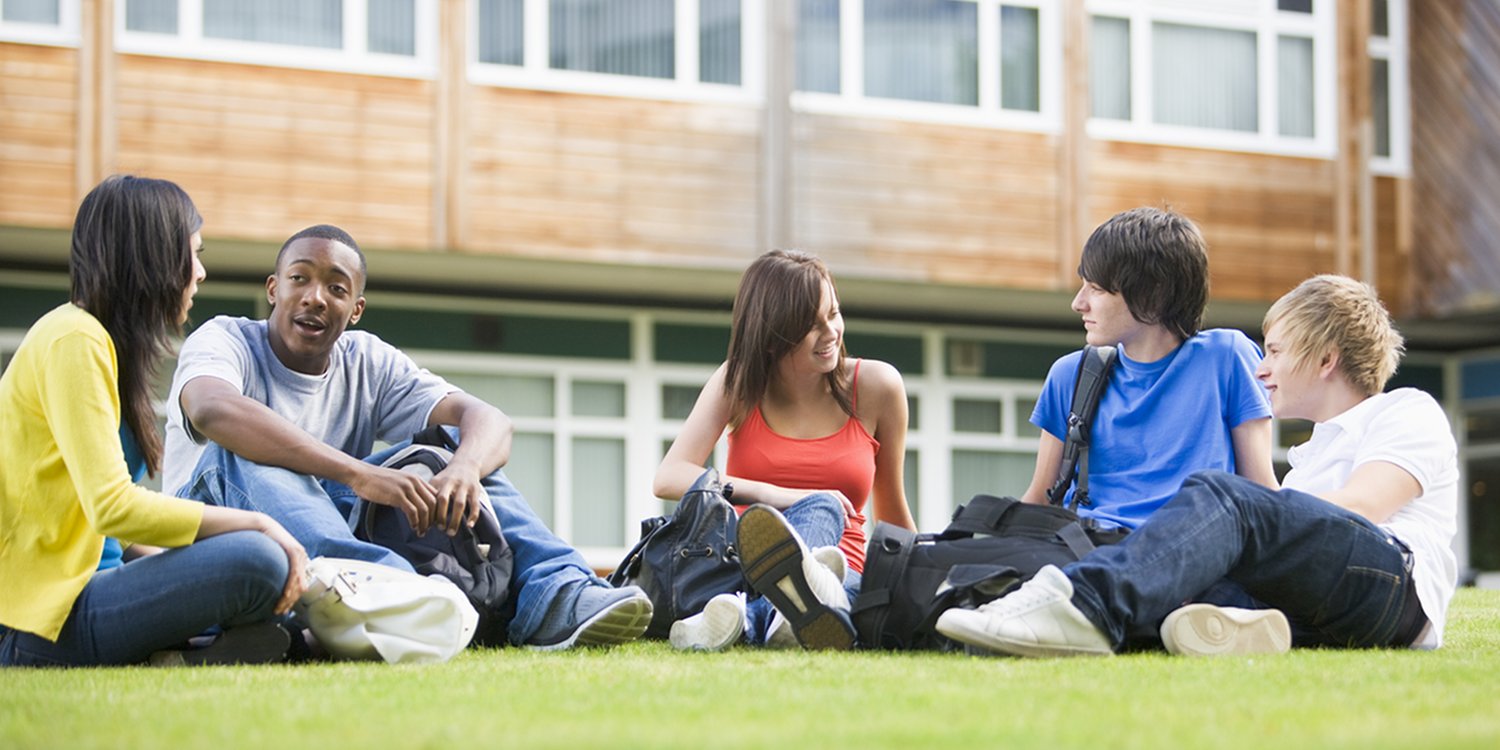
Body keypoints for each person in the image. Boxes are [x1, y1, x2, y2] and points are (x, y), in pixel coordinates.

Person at [162, 224, 650, 650]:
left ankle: (558, 594)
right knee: (246, 454)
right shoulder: (224, 338)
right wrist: (358, 473)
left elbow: (489, 419)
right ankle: (393, 595)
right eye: (299, 278)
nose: (315, 296)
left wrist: (463, 469)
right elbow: (211, 409)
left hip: (320, 544)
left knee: (458, 454)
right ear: (273, 289)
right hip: (211, 534)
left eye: (336, 287)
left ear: (355, 309)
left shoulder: (366, 359)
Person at [937, 275, 1456, 657]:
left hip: (1394, 587)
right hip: (1329, 604)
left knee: (1223, 496)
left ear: (1325, 360)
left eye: (1275, 351)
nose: (1261, 368)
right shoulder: (1311, 458)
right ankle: (1008, 628)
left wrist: (1245, 519)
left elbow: (1362, 509)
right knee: (1188, 590)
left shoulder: (1405, 409)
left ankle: (1079, 604)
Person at [1, 175, 307, 667]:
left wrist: (193, 572)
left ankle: (187, 650)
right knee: (258, 559)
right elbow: (114, 509)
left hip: (96, 590)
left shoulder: (104, 347)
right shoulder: (73, 338)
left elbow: (119, 539)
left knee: (265, 581)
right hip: (41, 622)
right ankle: (191, 648)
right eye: (195, 253)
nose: (201, 273)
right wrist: (256, 524)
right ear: (154, 255)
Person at [653, 249, 915, 650]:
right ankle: (788, 613)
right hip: (745, 565)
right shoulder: (738, 381)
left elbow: (892, 510)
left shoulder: (878, 387)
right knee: (823, 504)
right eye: (811, 326)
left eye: (834, 313)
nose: (831, 333)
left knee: (849, 567)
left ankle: (750, 619)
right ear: (774, 334)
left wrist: (922, 581)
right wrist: (776, 495)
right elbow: (669, 476)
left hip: (843, 573)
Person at [1019, 207, 1277, 528]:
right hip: (1086, 551)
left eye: (1096, 289)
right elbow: (1040, 499)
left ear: (1154, 293)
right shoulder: (1072, 375)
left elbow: (1260, 493)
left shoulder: (1226, 358)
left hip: (1191, 552)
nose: (1079, 303)